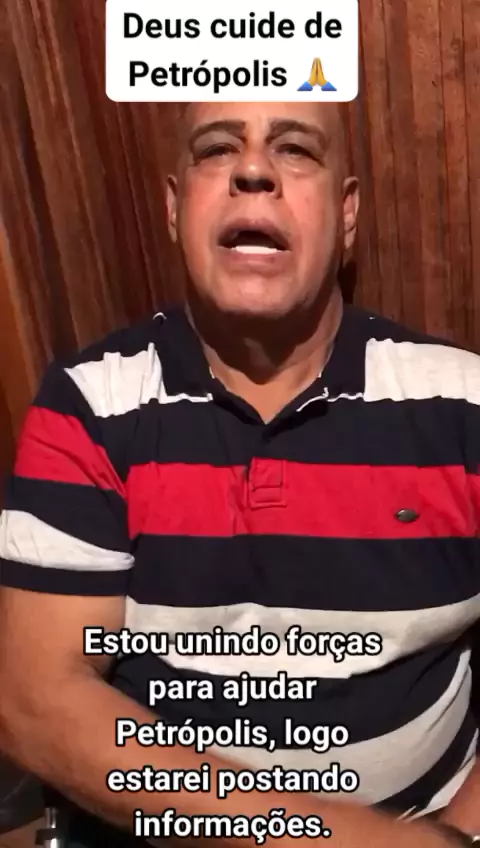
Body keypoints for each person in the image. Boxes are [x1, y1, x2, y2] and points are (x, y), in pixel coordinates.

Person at [0, 100, 479, 848]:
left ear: (347, 213)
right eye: (218, 149)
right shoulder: (89, 407)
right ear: (173, 208)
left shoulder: (464, 406)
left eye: (296, 151)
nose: (253, 170)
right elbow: (36, 701)